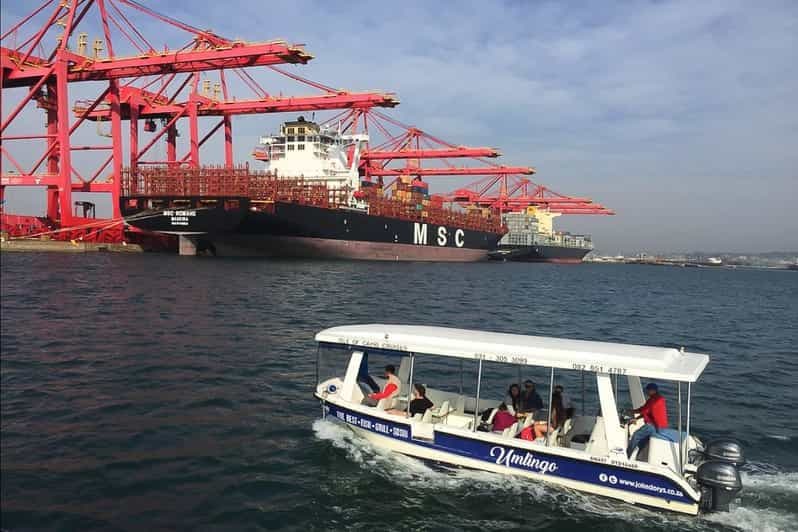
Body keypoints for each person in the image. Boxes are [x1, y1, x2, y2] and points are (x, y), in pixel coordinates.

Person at [627, 382, 668, 458]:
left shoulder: (655, 400)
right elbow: (646, 411)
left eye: (648, 390)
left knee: (636, 436)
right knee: (642, 441)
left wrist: (631, 412)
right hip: (659, 426)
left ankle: (627, 456)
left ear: (653, 391)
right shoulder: (656, 399)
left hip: (655, 426)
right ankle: (638, 457)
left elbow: (644, 410)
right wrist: (636, 418)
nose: (646, 392)